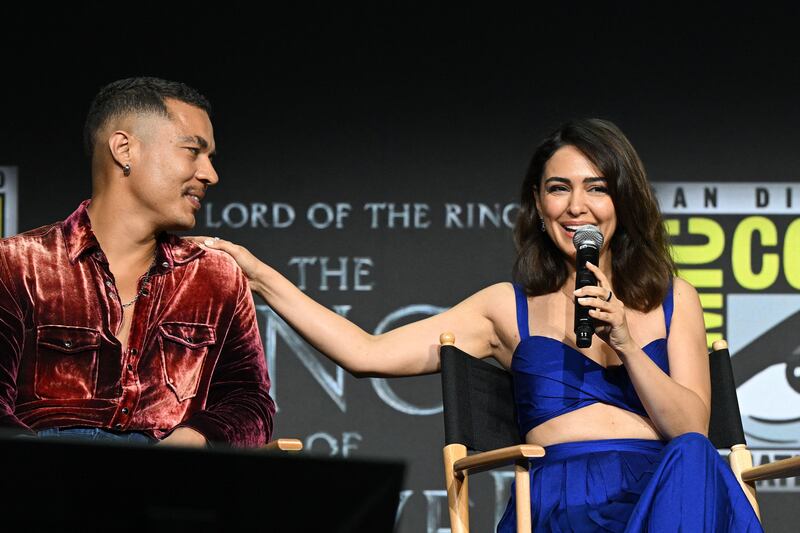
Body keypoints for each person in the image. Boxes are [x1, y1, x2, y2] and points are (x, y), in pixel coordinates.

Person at [195, 118, 761, 530]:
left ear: (622, 201)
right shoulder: (503, 306)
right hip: (562, 500)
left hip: (665, 493)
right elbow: (366, 354)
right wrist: (259, 274)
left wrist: (628, 344)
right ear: (538, 207)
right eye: (558, 188)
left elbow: (690, 428)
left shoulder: (674, 297)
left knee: (694, 459)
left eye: (596, 188)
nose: (576, 206)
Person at [0, 77, 275, 448]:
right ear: (124, 149)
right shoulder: (18, 263)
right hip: (42, 485)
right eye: (193, 151)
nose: (210, 174)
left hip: (169, 486)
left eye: (210, 158)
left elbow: (249, 402)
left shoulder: (215, 276)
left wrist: (194, 438)